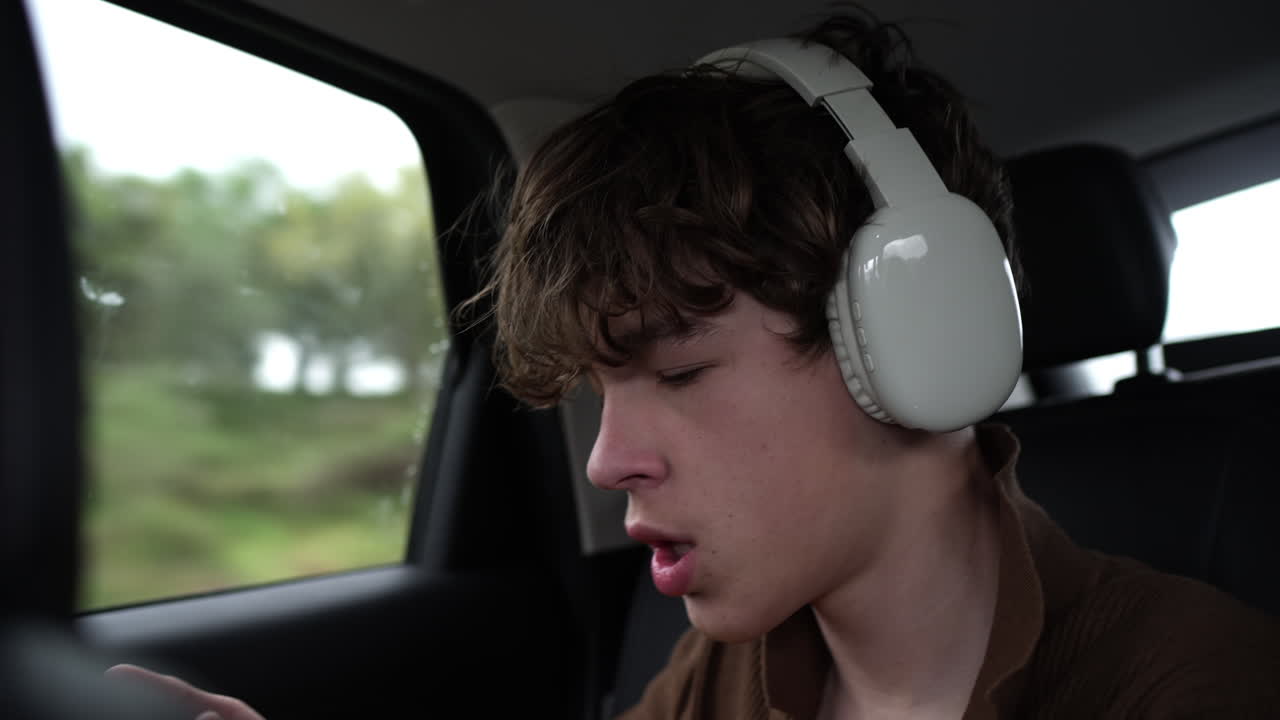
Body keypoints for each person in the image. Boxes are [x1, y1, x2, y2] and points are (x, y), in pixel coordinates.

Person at [113, 11, 1280, 720]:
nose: (610, 460)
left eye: (675, 373)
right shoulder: (734, 675)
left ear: (915, 341)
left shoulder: (1192, 691)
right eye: (599, 391)